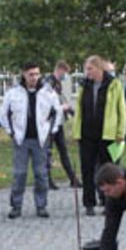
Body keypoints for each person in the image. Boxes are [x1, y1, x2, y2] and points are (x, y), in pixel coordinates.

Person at [0, 62, 62, 218]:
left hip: (41, 140)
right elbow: (3, 114)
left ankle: (41, 206)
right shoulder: (13, 93)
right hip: (21, 139)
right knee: (19, 174)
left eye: (36, 74)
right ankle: (16, 205)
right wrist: (11, 132)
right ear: (24, 74)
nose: (34, 77)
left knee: (41, 174)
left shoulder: (48, 92)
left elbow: (58, 113)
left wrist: (51, 131)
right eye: (30, 74)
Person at [71, 55, 126, 216]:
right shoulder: (84, 86)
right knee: (87, 168)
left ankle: (107, 200)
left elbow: (121, 110)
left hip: (107, 134)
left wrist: (120, 132)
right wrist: (76, 131)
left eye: (90, 69)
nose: (87, 72)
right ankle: (89, 203)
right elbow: (79, 110)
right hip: (87, 134)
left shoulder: (114, 85)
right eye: (86, 69)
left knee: (107, 168)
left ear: (99, 69)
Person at [42, 61, 81, 189]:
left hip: (58, 122)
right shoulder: (48, 83)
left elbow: (59, 100)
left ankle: (72, 178)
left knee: (63, 150)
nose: (66, 75)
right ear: (59, 69)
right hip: (50, 122)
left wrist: (68, 108)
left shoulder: (58, 84)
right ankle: (47, 180)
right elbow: (47, 103)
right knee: (48, 152)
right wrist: (62, 107)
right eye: (65, 72)